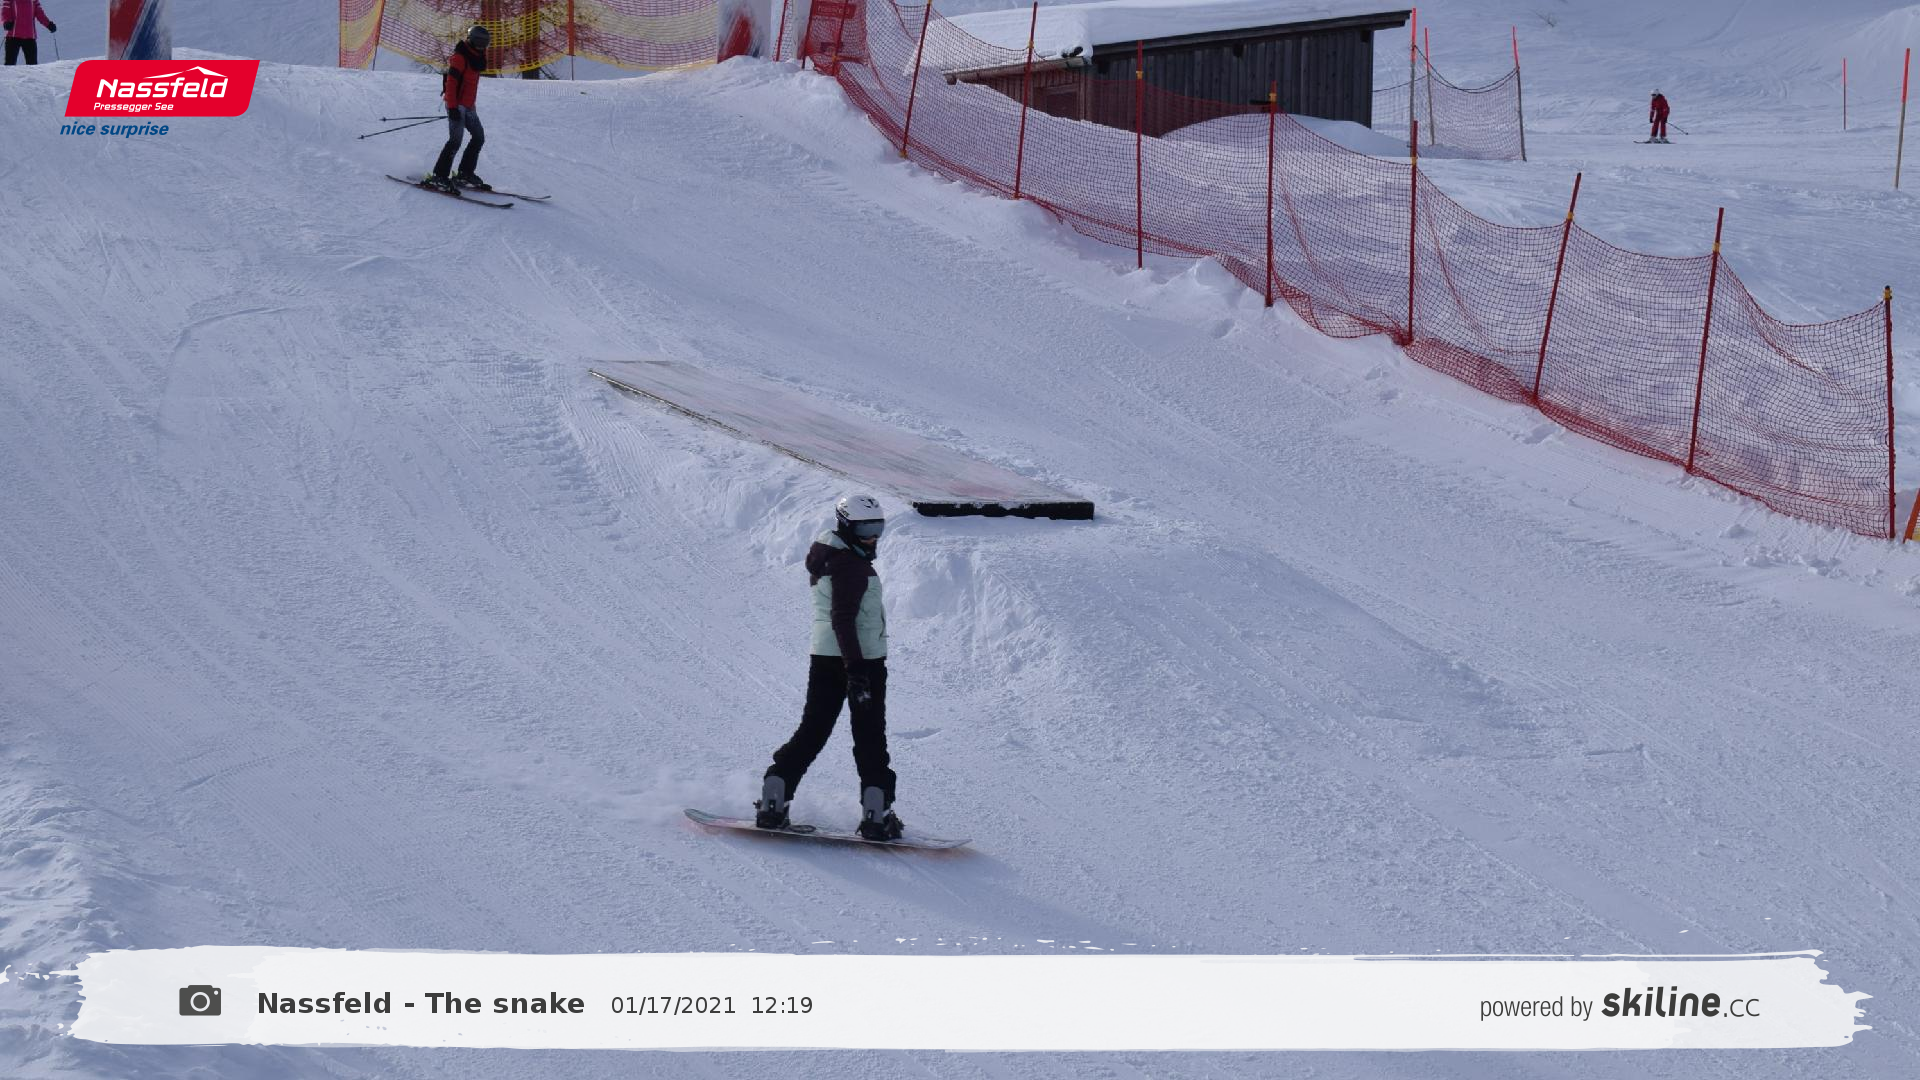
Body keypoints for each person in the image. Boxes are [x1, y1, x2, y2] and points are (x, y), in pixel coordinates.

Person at [756, 494, 904, 841]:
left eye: (878, 527)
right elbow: (842, 619)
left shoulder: (830, 556)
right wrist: (857, 671)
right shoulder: (850, 566)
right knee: (869, 737)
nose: (873, 537)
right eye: (865, 529)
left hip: (824, 658)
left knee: (814, 729)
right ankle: (877, 815)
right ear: (847, 526)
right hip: (860, 662)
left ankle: (776, 796)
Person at [428, 24, 491, 192]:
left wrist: (471, 105)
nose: (482, 46)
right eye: (480, 42)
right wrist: (453, 107)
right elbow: (451, 83)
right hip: (455, 104)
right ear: (472, 40)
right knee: (455, 141)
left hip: (469, 106)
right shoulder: (460, 57)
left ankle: (465, 173)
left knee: (478, 137)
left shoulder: (478, 57)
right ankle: (439, 176)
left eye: (485, 43)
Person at [1, 0, 56, 66]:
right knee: (9, 64)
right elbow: (5, 10)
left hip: (29, 37)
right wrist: (6, 22)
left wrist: (48, 24)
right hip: (13, 36)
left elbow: (40, 14)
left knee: (33, 65)